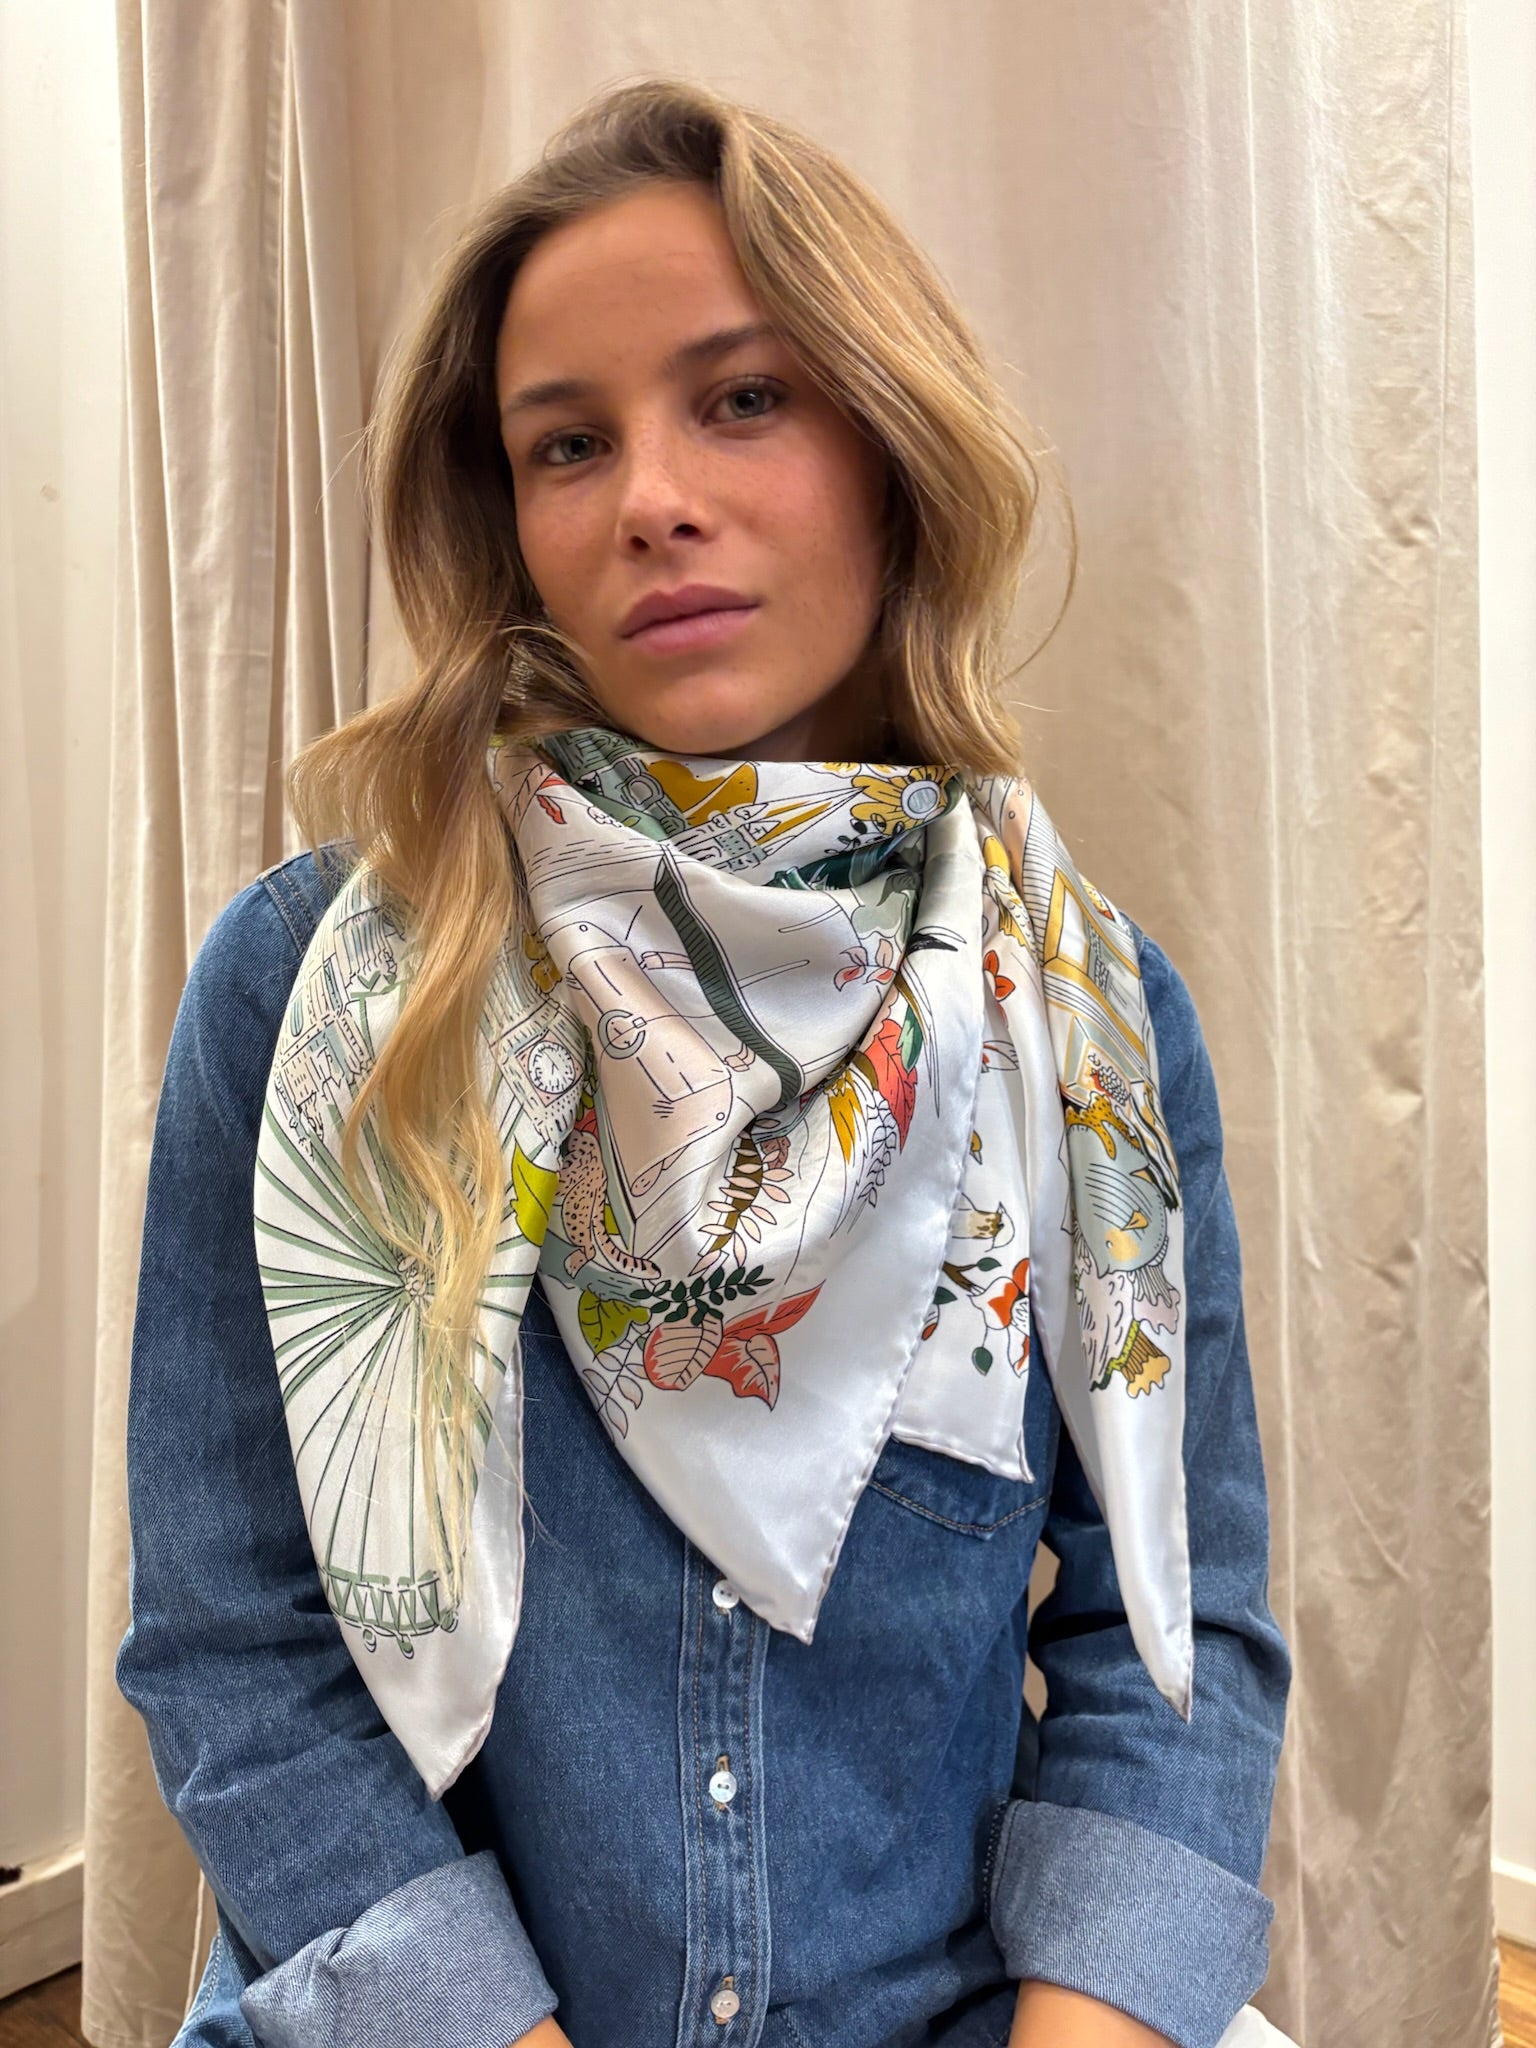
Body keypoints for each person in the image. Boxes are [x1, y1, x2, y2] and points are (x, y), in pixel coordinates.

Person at [118, 78, 1292, 2048]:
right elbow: (240, 1650)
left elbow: (1174, 1644)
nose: (650, 495)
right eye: (566, 442)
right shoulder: (314, 999)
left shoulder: (1085, 1028)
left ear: (891, 442)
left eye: (743, 398)